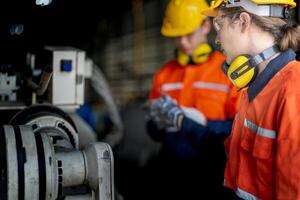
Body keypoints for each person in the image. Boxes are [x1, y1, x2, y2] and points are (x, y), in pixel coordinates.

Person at [152, 0, 300, 199]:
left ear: (243, 22)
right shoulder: (254, 88)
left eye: (219, 25)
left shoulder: (293, 90)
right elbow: (228, 151)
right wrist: (182, 121)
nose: (218, 39)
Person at [144, 0, 240, 199]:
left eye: (188, 35)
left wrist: (203, 122)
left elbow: (238, 129)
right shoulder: (164, 74)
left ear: (206, 26)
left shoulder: (229, 72)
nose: (183, 43)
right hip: (170, 169)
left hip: (212, 171)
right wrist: (157, 124)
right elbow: (153, 131)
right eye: (177, 37)